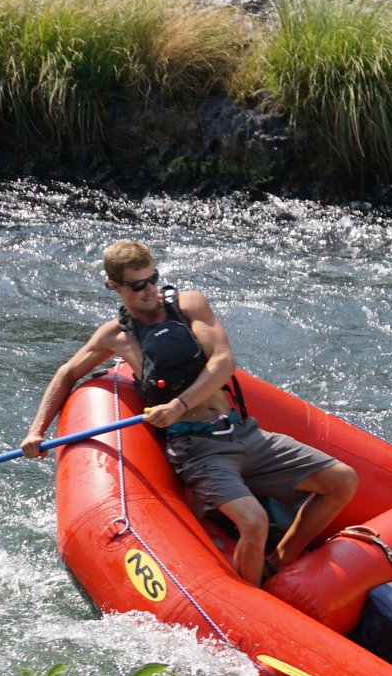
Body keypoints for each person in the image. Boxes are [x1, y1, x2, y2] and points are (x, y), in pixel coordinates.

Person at [21, 239, 355, 587]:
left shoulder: (188, 304)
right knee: (253, 521)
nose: (149, 290)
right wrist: (36, 431)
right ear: (114, 287)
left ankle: (278, 561)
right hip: (196, 450)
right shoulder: (116, 336)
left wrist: (179, 403)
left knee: (343, 480)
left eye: (153, 279)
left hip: (242, 433)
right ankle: (250, 601)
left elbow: (223, 362)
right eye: (137, 286)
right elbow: (67, 373)